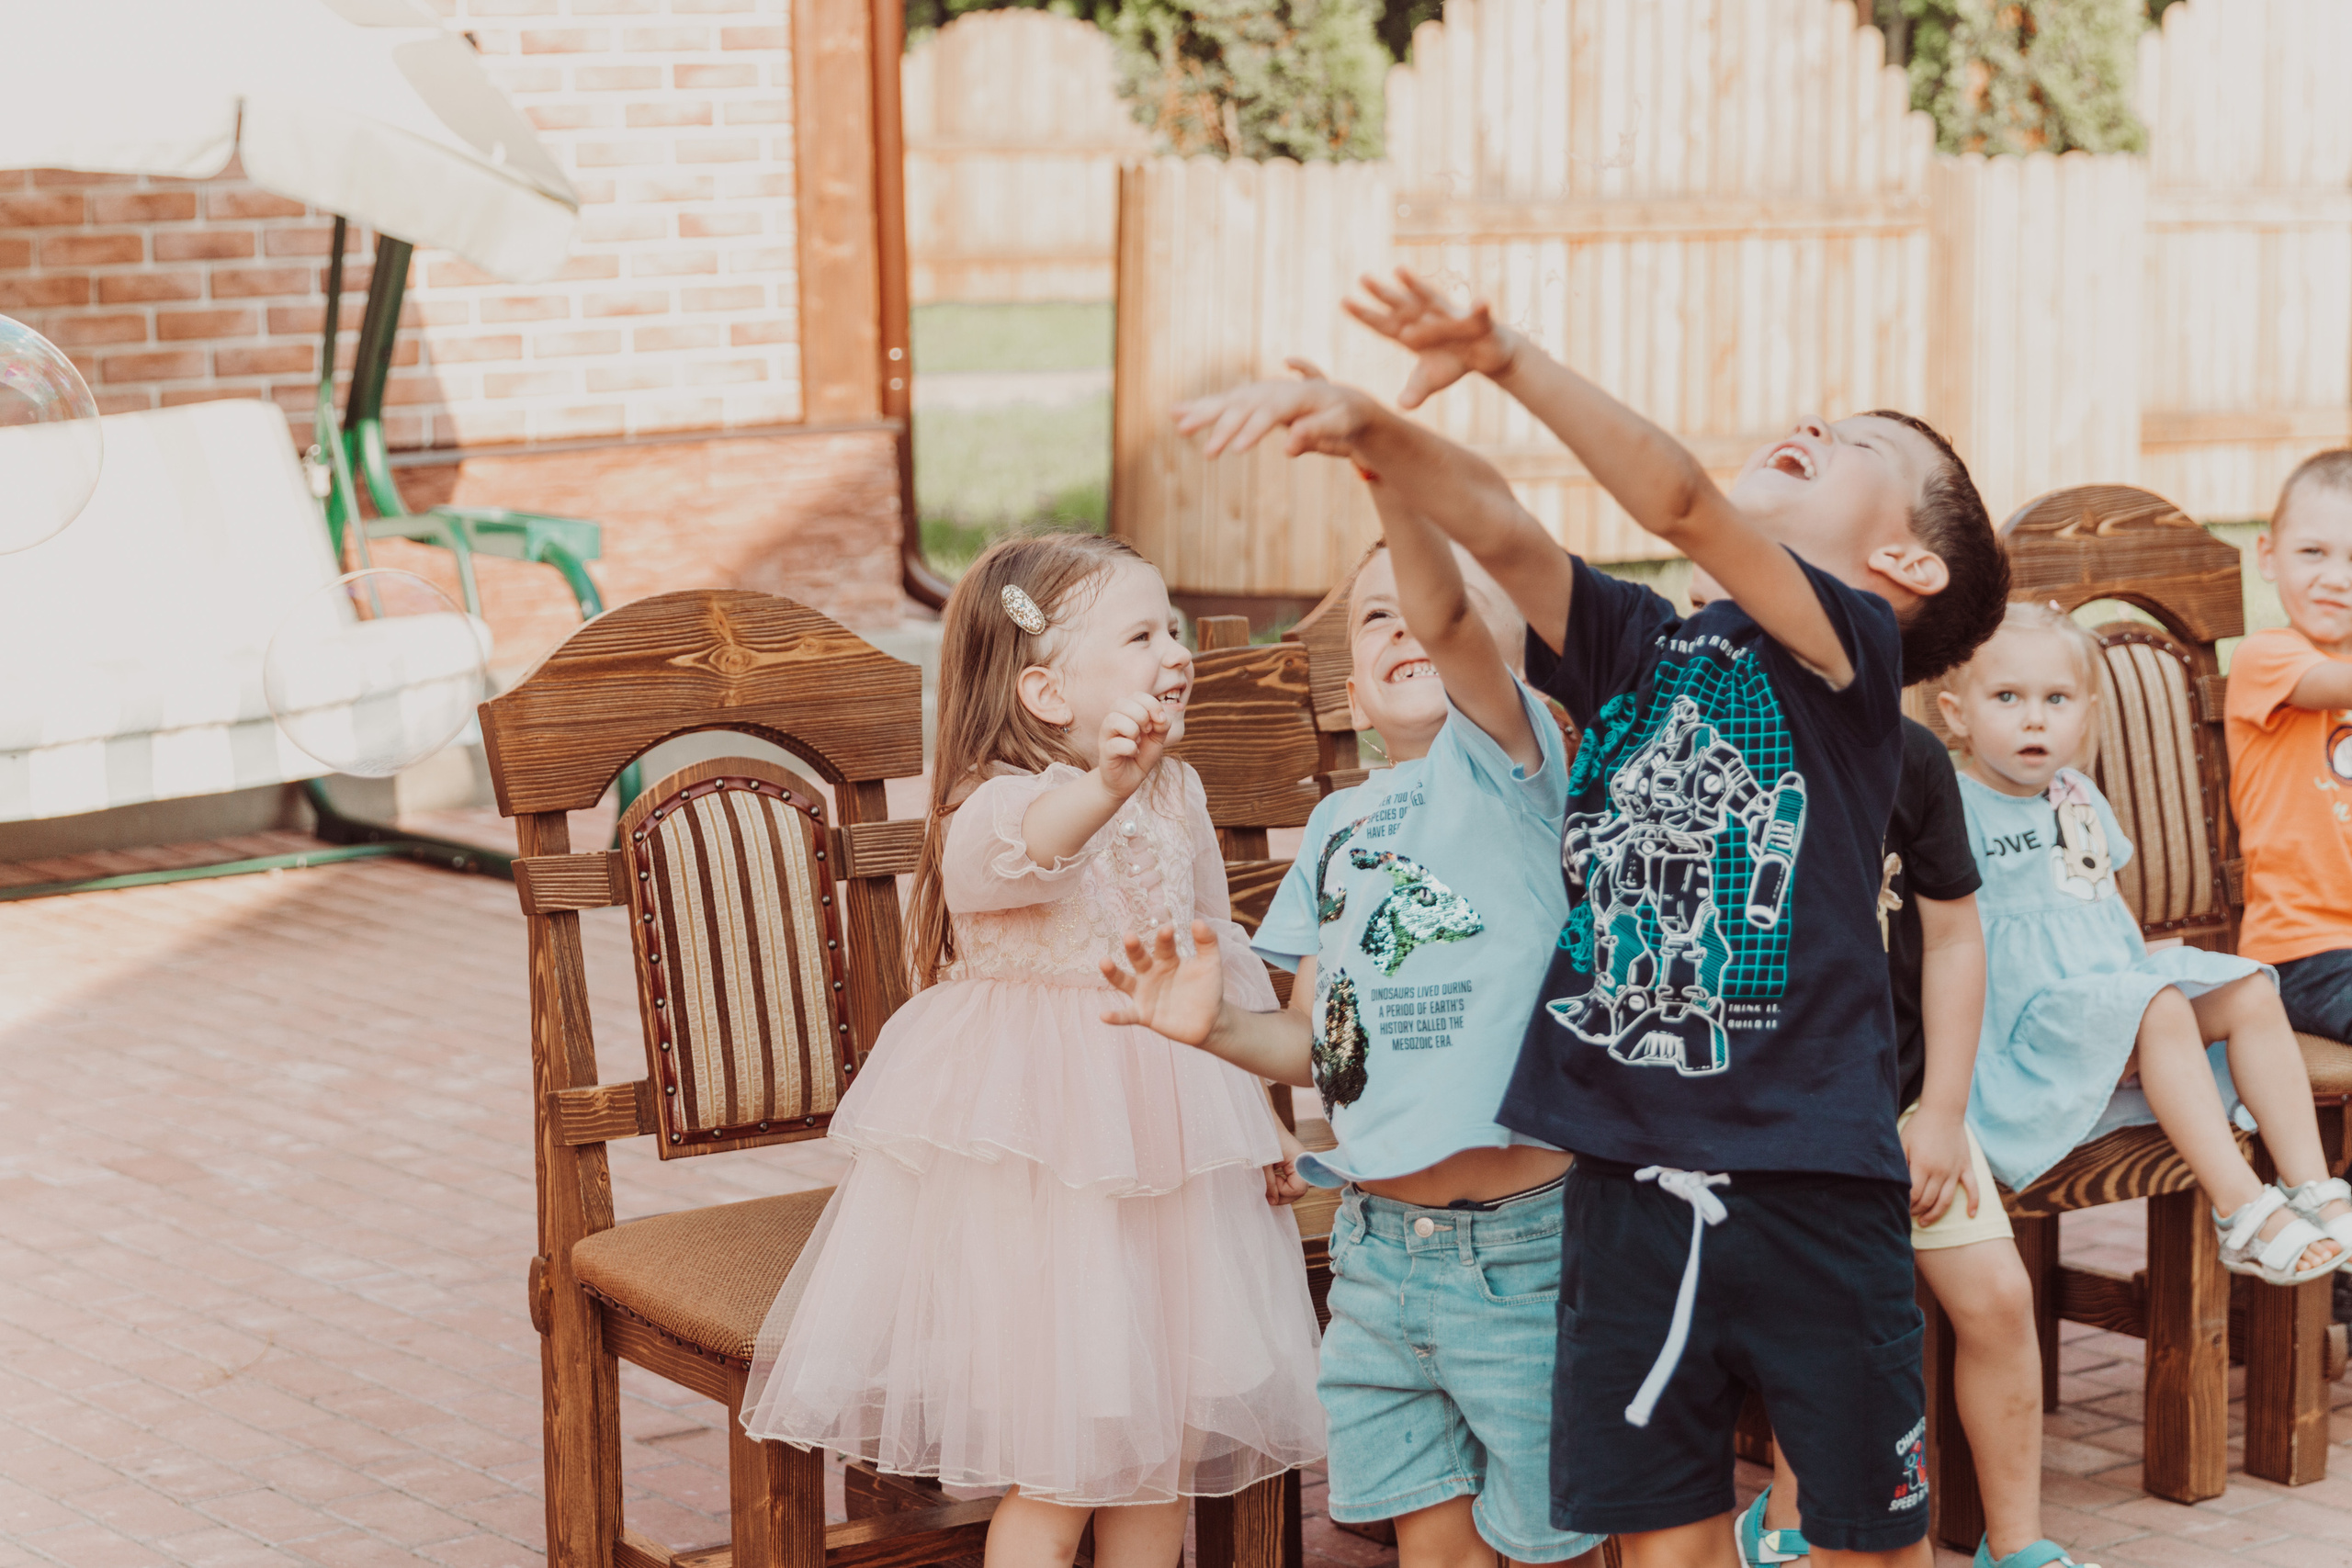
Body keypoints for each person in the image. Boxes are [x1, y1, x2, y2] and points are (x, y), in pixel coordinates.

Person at [1170, 265, 2010, 1568]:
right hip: (1621, 1185)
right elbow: (1497, 536)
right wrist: (1370, 433)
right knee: (1660, 1543)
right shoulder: (1639, 647)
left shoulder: (1849, 656)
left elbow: (1675, 496)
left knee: (1864, 1536)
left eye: (1857, 443)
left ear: (1901, 559)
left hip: (1810, 1187)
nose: (1815, 419)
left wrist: (1510, 357)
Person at [738, 533, 1325, 1568]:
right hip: (1048, 1169)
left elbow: (1213, 956)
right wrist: (1110, 779)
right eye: (1142, 634)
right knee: (1062, 1465)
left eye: (1174, 628)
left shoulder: (1175, 792)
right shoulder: (993, 808)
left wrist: (1263, 1120)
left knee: (1160, 1449)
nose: (1175, 651)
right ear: (1049, 694)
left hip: (1176, 1147)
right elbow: (1039, 853)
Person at [1104, 500, 1604, 1568]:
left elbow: (1462, 647)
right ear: (1350, 693)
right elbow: (1322, 1049)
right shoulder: (1336, 829)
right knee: (1429, 1537)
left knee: (1551, 1541)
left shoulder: (1521, 777)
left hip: (1525, 1248)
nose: (1408, 627)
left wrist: (1391, 491)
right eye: (1376, 616)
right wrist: (1218, 1031)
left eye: (1442, 608)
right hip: (1380, 1256)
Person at [1941, 602, 2351, 1282]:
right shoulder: (1956, 806)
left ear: (2086, 714)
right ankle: (2242, 1210)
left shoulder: (2077, 794)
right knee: (2158, 1004)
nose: (2034, 717)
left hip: (2111, 1009)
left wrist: (2141, 966)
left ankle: (2309, 1184)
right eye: (2007, 697)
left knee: (2248, 986)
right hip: (2028, 1037)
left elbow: (2104, 904)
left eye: (2056, 698)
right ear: (1958, 714)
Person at [1741, 713, 2060, 1568]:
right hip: (1774, 1117)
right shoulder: (1722, 749)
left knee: (1996, 1295)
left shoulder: (1909, 754)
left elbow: (1954, 934)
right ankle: (1789, 1511)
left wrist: (1945, 1116)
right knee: (1816, 1315)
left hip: (1908, 1101)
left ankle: (2018, 1543)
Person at [2229, 452, 2352, 1054]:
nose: (2336, 576)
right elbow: (2334, 684)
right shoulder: (2268, 658)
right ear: (2268, 556)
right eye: (2314, 552)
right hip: (2303, 951)